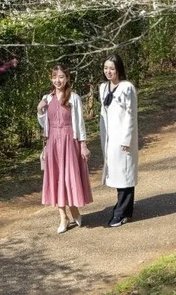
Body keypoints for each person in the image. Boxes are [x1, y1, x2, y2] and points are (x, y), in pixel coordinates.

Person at [36, 64, 93, 233]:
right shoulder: (47, 98)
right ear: (51, 79)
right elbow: (44, 123)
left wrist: (83, 144)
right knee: (56, 178)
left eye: (61, 77)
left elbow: (80, 122)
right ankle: (63, 217)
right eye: (54, 77)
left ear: (67, 78)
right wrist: (40, 109)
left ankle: (74, 209)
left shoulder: (74, 98)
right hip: (53, 142)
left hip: (70, 141)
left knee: (69, 177)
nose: (58, 80)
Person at [99, 54, 138, 227]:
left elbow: (131, 115)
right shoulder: (103, 88)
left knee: (125, 173)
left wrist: (126, 139)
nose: (108, 72)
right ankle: (126, 210)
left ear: (119, 69)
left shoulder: (127, 88)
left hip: (123, 138)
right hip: (109, 138)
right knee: (116, 173)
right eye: (106, 68)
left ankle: (120, 212)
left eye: (112, 69)